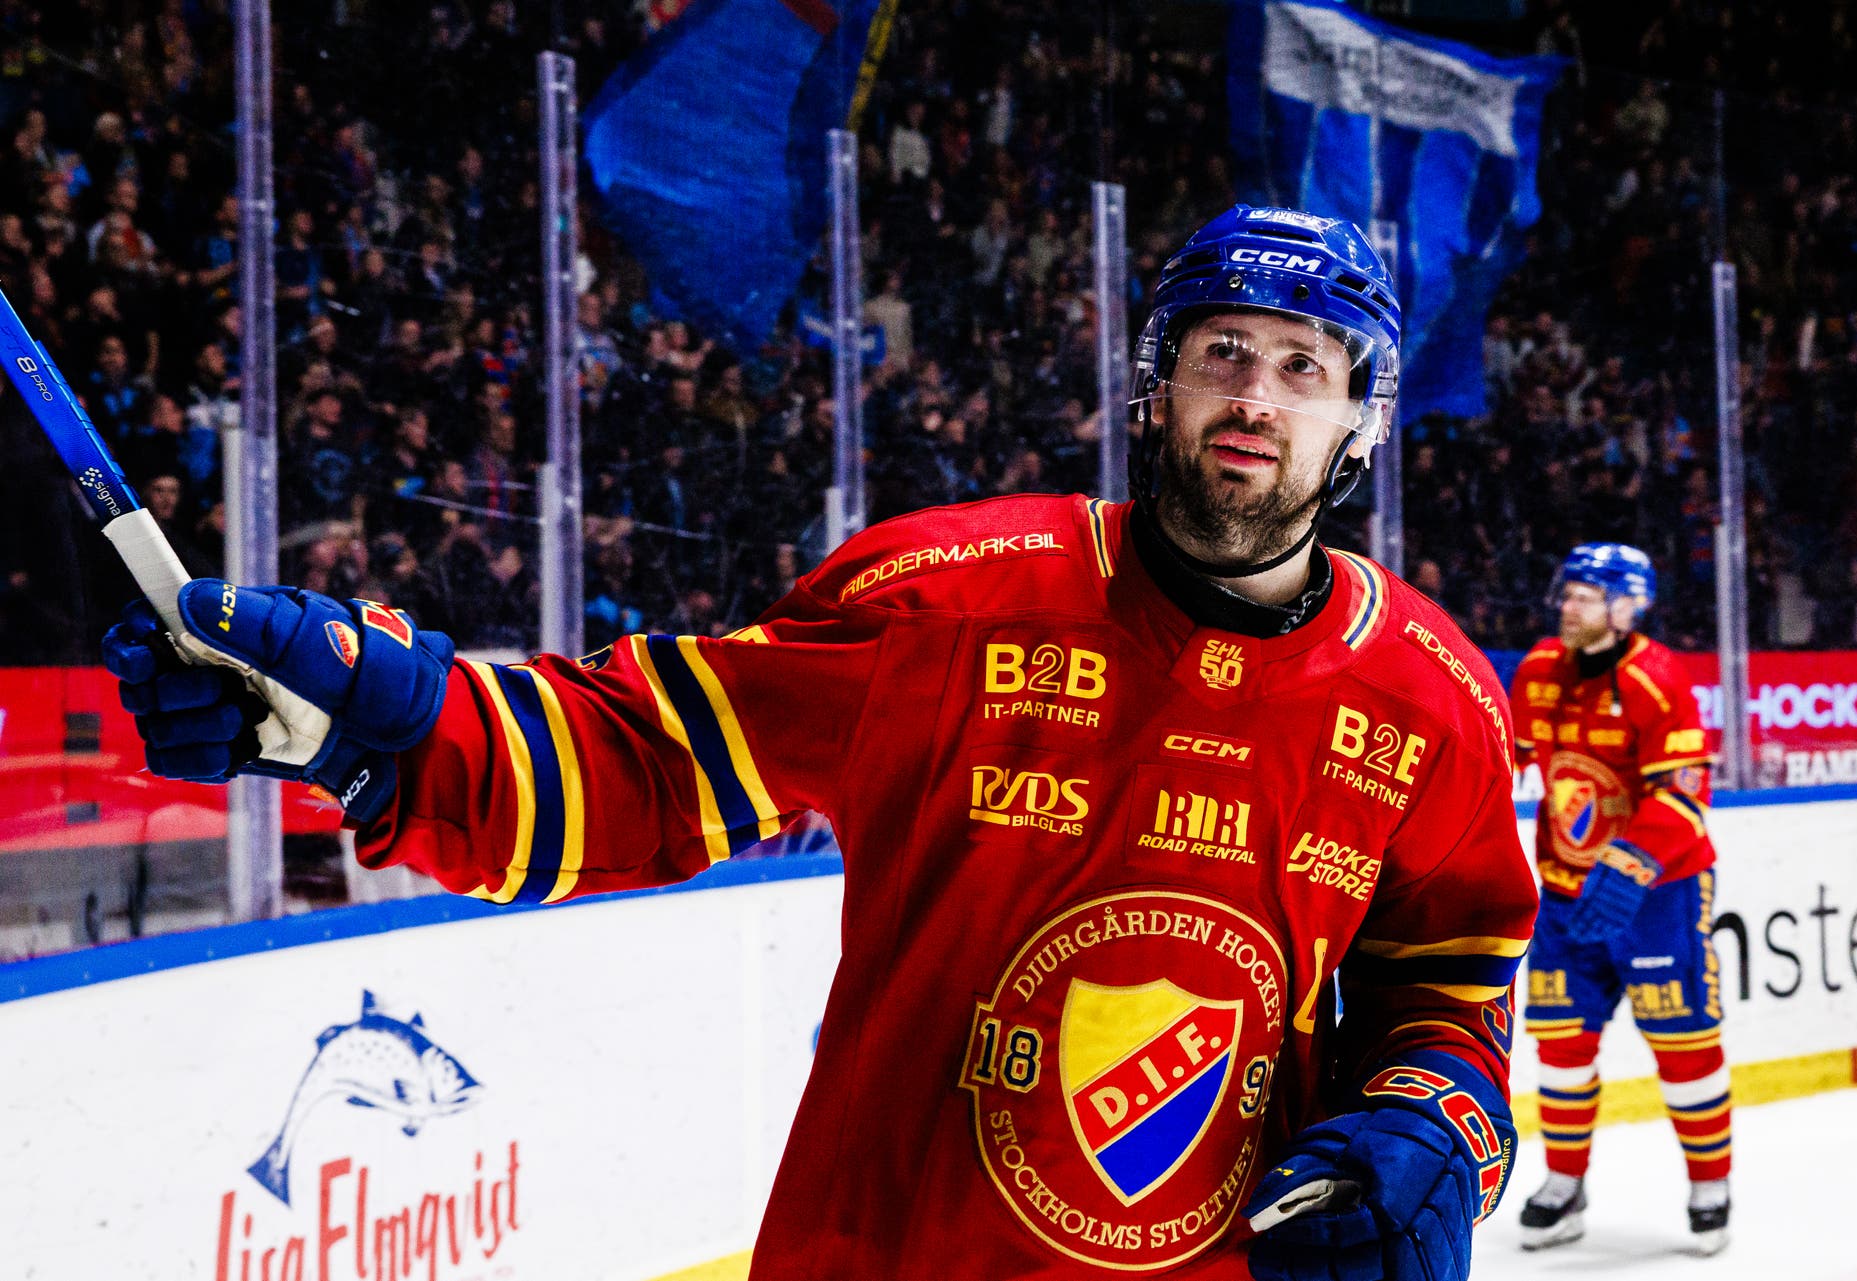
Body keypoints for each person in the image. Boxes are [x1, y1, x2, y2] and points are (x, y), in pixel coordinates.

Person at [101, 206, 1535, 1280]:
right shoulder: (951, 601)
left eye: (1304, 367)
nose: (1258, 398)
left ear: (1361, 423)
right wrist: (390, 733)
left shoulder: (1431, 704)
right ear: (1159, 382)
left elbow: (1450, 990)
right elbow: (644, 763)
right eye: (1225, 351)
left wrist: (1432, 1124)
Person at [1509, 544, 1730, 1254]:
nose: (1567, 605)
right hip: (1566, 895)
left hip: (1660, 893)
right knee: (1561, 1045)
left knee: (1683, 1042)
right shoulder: (1539, 670)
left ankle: (1710, 1187)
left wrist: (1631, 861)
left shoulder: (1656, 679)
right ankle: (1564, 1185)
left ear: (1627, 606)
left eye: (1585, 595)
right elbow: (1505, 758)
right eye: (1567, 591)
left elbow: (1687, 795)